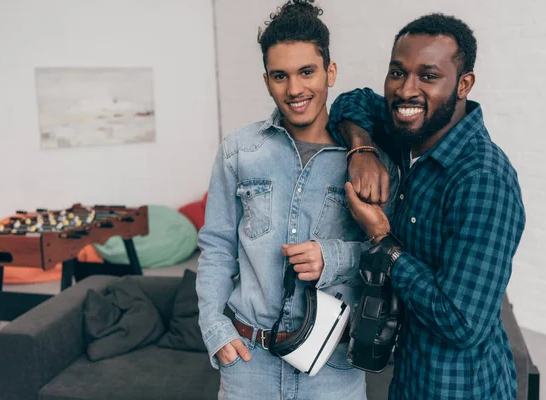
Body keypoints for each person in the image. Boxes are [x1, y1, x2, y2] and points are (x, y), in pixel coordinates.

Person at [196, 1, 398, 399]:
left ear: (330, 72)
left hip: (333, 369)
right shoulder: (239, 150)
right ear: (267, 80)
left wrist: (333, 257)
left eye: (307, 72)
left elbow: (391, 252)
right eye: (280, 76)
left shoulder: (370, 162)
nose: (294, 89)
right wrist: (214, 330)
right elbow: (217, 247)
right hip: (247, 364)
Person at [328, 13, 526, 400]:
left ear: (463, 84)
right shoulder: (411, 133)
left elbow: (462, 322)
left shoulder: (483, 179)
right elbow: (350, 102)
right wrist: (362, 149)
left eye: (428, 76)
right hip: (409, 377)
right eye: (398, 73)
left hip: (460, 389)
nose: (405, 91)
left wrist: (382, 240)